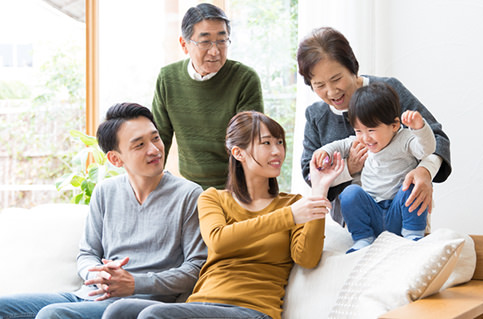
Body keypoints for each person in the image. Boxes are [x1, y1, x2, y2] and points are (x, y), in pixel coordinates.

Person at [101, 111, 344, 319]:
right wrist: (288, 216)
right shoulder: (213, 198)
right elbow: (219, 240)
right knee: (118, 311)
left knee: (153, 316)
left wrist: (319, 189)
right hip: (199, 306)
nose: (277, 151)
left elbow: (307, 258)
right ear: (238, 153)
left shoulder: (294, 204)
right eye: (266, 143)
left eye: (280, 142)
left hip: (252, 311)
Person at [0, 103, 207, 319]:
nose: (154, 149)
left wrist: (135, 283)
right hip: (88, 297)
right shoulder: (105, 192)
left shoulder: (188, 194)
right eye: (139, 145)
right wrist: (97, 274)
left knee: (53, 314)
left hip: (138, 304)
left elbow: (195, 268)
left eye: (155, 138)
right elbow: (87, 253)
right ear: (115, 159)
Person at [297, 27, 451, 225]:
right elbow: (310, 173)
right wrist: (348, 168)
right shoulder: (316, 115)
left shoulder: (388, 91)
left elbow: (437, 136)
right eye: (319, 85)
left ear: (353, 68)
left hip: (405, 216)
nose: (331, 91)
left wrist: (425, 171)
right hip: (353, 227)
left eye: (336, 79)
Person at [152, 3, 264, 190]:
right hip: (189, 187)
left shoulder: (245, 79)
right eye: (205, 42)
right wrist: (151, 188)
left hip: (235, 187)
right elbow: (158, 139)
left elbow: (250, 144)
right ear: (184, 44)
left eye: (222, 41)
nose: (215, 51)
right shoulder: (167, 78)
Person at [314, 82, 436, 252]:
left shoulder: (405, 139)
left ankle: (412, 234)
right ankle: (363, 238)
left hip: (399, 211)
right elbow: (339, 145)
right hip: (372, 212)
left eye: (371, 130)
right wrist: (324, 152)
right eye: (358, 131)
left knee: (414, 184)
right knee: (350, 193)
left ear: (394, 125)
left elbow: (427, 149)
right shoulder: (361, 142)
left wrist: (420, 128)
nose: (365, 138)